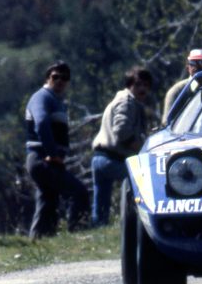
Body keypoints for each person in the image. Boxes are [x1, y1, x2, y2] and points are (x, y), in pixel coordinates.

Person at [25, 61, 89, 238]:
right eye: (55, 77)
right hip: (41, 157)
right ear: (47, 78)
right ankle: (78, 235)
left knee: (48, 199)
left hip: (43, 158)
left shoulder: (56, 101)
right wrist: (52, 154)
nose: (60, 81)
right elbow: (41, 123)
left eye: (65, 78)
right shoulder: (42, 97)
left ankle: (39, 240)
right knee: (78, 192)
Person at [91, 67, 153, 227]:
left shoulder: (126, 100)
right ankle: (135, 223)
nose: (142, 88)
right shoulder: (126, 101)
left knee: (101, 204)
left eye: (146, 85)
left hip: (101, 157)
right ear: (129, 85)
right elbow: (122, 131)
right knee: (143, 183)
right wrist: (141, 150)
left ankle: (99, 229)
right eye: (138, 84)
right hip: (112, 158)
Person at [163, 48, 202, 124]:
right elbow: (167, 123)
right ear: (187, 67)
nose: (197, 66)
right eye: (193, 63)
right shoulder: (176, 92)